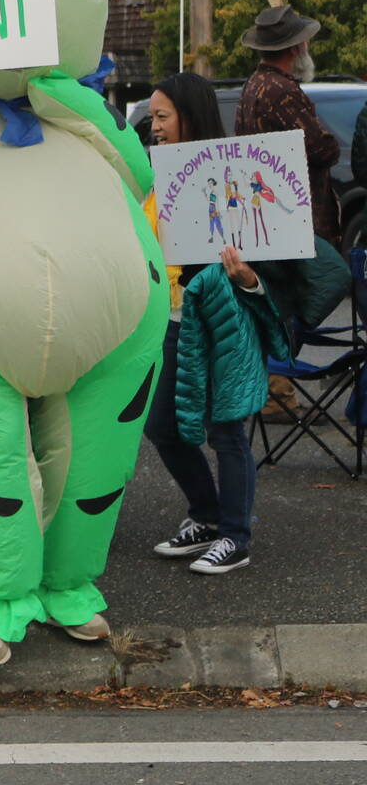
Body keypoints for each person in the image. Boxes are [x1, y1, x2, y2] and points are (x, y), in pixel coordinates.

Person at [143, 74, 274, 577]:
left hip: (223, 320)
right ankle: (207, 515)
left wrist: (247, 277)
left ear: (189, 116)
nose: (153, 127)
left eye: (162, 116)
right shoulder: (159, 174)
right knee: (163, 427)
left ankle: (235, 537)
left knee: (226, 431)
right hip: (174, 319)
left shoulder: (233, 173)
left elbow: (272, 258)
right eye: (152, 117)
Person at [236, 4, 340, 244]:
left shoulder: (253, 84)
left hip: (273, 216)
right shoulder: (281, 90)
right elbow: (323, 150)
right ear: (296, 48)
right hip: (299, 221)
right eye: (305, 41)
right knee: (333, 278)